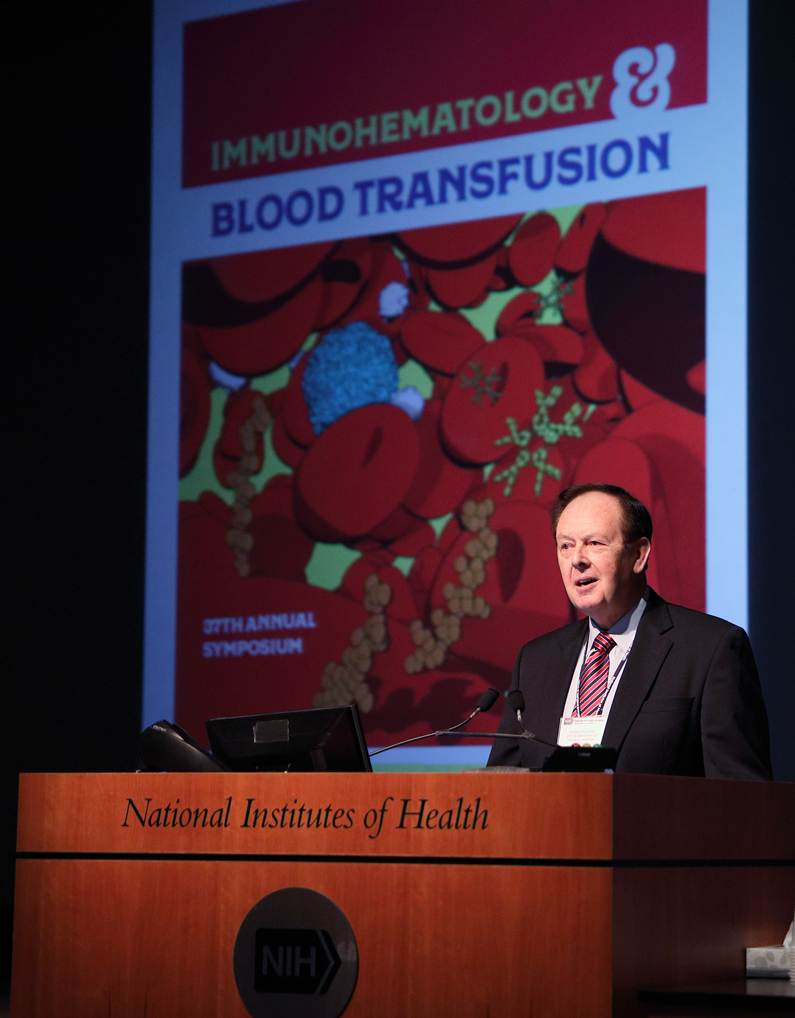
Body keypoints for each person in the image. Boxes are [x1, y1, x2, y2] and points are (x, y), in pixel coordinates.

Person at [487, 483, 772, 778]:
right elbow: (500, 787)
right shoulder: (536, 660)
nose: (577, 559)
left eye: (594, 543)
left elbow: (743, 796)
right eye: (566, 545)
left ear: (638, 555)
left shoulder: (709, 650)